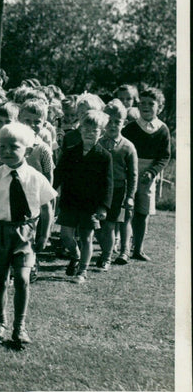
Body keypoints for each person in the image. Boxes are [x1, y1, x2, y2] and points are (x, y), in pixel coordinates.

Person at [0, 122, 56, 345]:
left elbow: (48, 206)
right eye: (3, 147)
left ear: (28, 151)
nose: (7, 152)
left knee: (22, 278)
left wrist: (44, 235)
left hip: (25, 233)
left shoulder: (35, 177)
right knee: (0, 279)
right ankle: (0, 322)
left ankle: (19, 327)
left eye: (14, 147)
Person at [54, 110, 113, 284]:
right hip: (70, 202)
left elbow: (108, 184)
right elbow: (58, 175)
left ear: (101, 133)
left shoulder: (105, 157)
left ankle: (82, 271)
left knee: (87, 237)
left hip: (90, 205)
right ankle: (76, 254)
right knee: (66, 236)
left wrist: (103, 207)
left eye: (94, 131)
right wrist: (50, 193)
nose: (89, 134)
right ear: (80, 131)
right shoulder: (70, 153)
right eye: (86, 130)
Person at [121, 87, 171, 262]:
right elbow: (123, 149)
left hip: (147, 177)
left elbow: (164, 156)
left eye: (151, 104)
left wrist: (152, 172)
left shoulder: (162, 130)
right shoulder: (131, 128)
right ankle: (124, 249)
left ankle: (138, 248)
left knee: (142, 212)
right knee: (127, 210)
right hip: (129, 173)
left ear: (160, 107)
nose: (146, 107)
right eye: (142, 103)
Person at [99, 100, 138, 268]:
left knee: (113, 223)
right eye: (109, 121)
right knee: (99, 225)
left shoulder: (128, 147)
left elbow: (133, 174)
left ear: (124, 123)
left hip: (118, 190)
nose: (112, 125)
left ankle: (115, 254)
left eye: (117, 122)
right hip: (99, 190)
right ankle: (107, 249)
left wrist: (130, 196)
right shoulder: (98, 143)